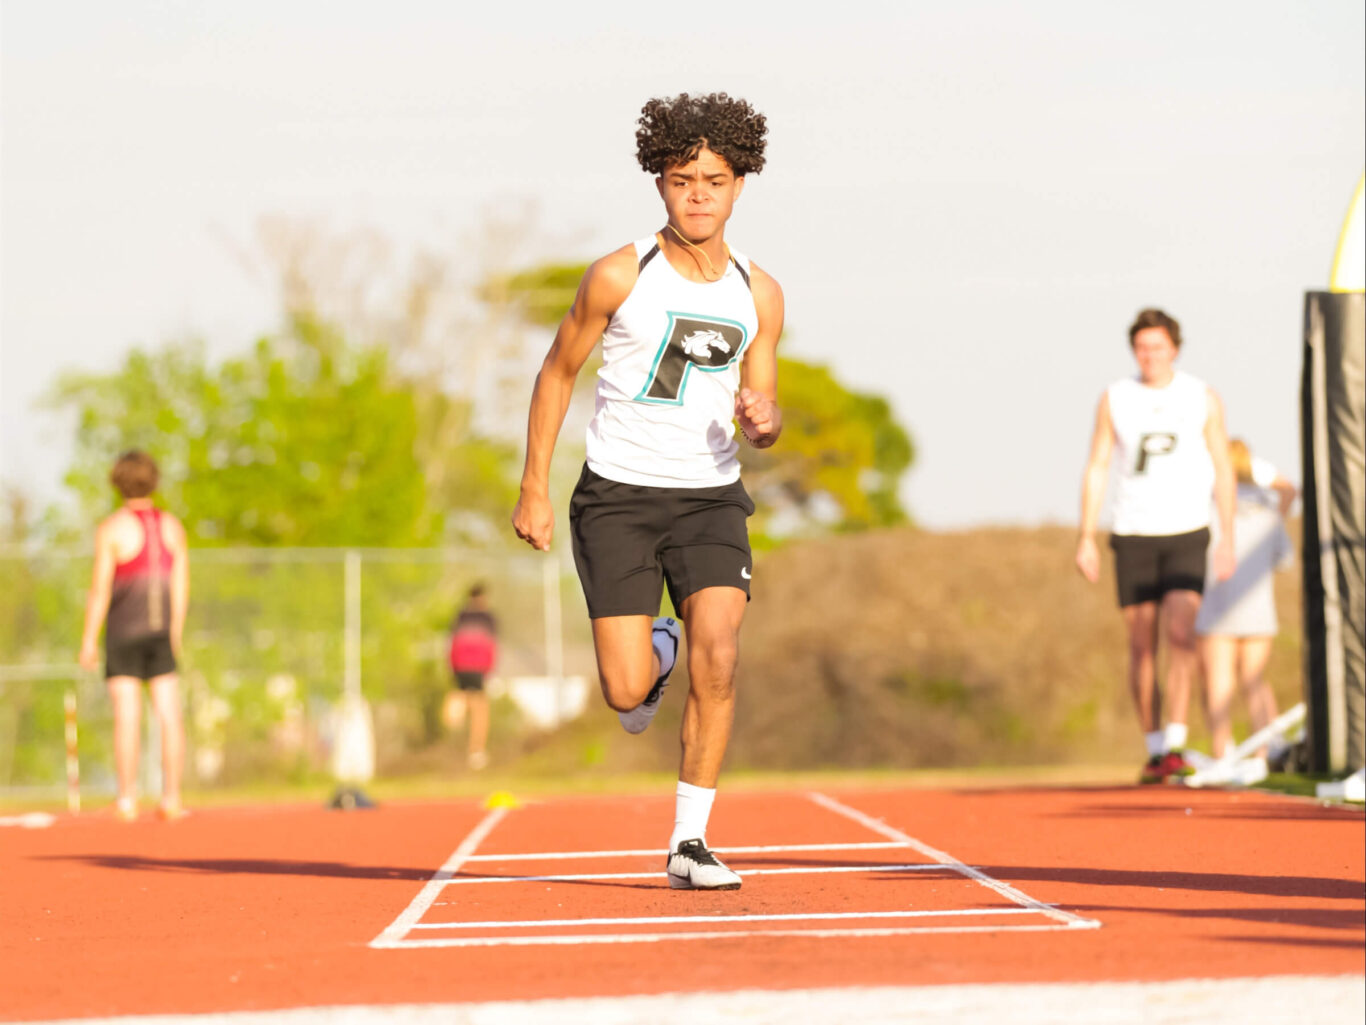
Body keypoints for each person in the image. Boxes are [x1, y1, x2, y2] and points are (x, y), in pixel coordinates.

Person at [511, 92, 782, 890]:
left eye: (715, 179)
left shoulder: (759, 293)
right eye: (681, 177)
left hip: (710, 498)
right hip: (619, 497)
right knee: (629, 692)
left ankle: (689, 841)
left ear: (741, 184)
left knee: (722, 654)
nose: (697, 193)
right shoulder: (619, 274)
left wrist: (763, 420)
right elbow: (557, 372)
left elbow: (763, 413)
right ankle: (658, 646)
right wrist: (533, 486)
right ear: (658, 182)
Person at [1075, 308, 1236, 784]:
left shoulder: (1201, 396)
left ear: (1175, 350)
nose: (1150, 356)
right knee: (1141, 645)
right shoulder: (1115, 398)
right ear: (1134, 351)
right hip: (1132, 533)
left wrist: (1227, 536)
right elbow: (1098, 464)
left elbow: (1223, 465)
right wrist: (1086, 535)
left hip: (1187, 530)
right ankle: (1152, 745)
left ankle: (1176, 741)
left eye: (1158, 347)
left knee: (1183, 635)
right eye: (1142, 348)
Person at [78, 450, 190, 821]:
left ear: (117, 482)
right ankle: (171, 798)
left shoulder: (112, 529)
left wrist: (89, 640)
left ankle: (127, 800)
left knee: (127, 716)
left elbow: (100, 589)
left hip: (124, 634)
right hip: (160, 633)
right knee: (169, 714)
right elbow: (181, 584)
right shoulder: (172, 527)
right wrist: (175, 631)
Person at [1195, 438, 1297, 771]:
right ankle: (1263, 755)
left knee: (1219, 681)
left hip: (1218, 606)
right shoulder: (1268, 512)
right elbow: (1284, 558)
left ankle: (1221, 751)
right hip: (1258, 610)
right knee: (1254, 681)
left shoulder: (1206, 508)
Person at [446, 582, 498, 771]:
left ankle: (451, 732)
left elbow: (452, 643)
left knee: (460, 696)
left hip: (460, 665)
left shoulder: (460, 616)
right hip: (477, 666)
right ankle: (476, 750)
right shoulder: (488, 617)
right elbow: (491, 645)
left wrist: (451, 667)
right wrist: (490, 670)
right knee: (480, 707)